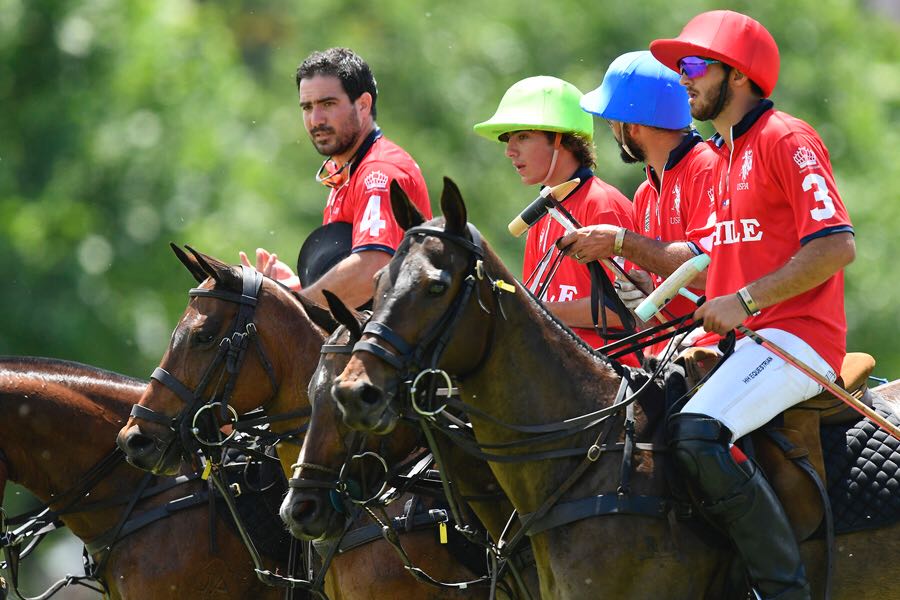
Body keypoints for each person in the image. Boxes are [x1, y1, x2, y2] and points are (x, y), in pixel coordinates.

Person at [650, 10, 856, 599]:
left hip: (798, 339)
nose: (682, 79)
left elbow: (836, 245)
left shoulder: (784, 138)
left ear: (736, 75)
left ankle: (780, 588)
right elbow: (717, 259)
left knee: (696, 432)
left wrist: (743, 300)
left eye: (693, 66)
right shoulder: (719, 157)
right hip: (745, 344)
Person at [241, 47, 431, 308]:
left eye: (328, 104)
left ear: (363, 105)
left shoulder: (379, 171)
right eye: (307, 107)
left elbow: (370, 272)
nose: (315, 119)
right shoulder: (345, 170)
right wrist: (294, 287)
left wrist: (291, 308)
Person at [560, 51, 719, 353]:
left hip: (718, 347)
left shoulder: (707, 167)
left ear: (631, 126)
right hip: (665, 353)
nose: (612, 132)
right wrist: (640, 291)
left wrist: (620, 242)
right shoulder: (645, 193)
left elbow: (707, 270)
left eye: (611, 123)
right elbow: (653, 310)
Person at [473, 76, 639, 363]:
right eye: (507, 139)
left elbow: (630, 310)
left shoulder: (601, 203)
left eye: (523, 136)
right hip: (556, 370)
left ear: (561, 137)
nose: (510, 150)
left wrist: (534, 308)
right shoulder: (543, 212)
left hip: (611, 378)